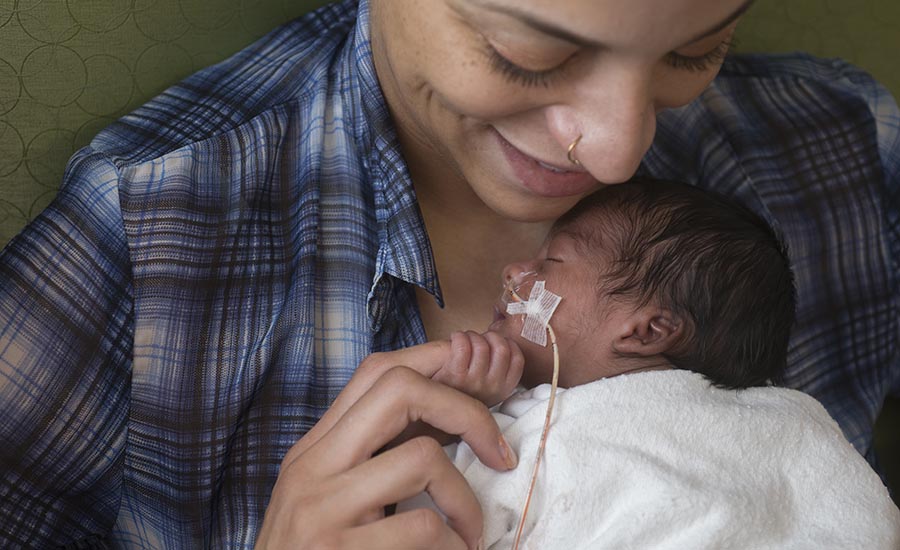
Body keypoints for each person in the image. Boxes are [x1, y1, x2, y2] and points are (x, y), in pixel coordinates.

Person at [0, 0, 898, 548]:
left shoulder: (838, 150)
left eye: (692, 51)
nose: (624, 147)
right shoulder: (153, 232)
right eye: (532, 53)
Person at [339, 178, 895, 548]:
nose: (515, 272)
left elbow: (426, 525)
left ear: (646, 330)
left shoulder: (531, 435)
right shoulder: (799, 422)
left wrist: (440, 433)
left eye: (550, 262)